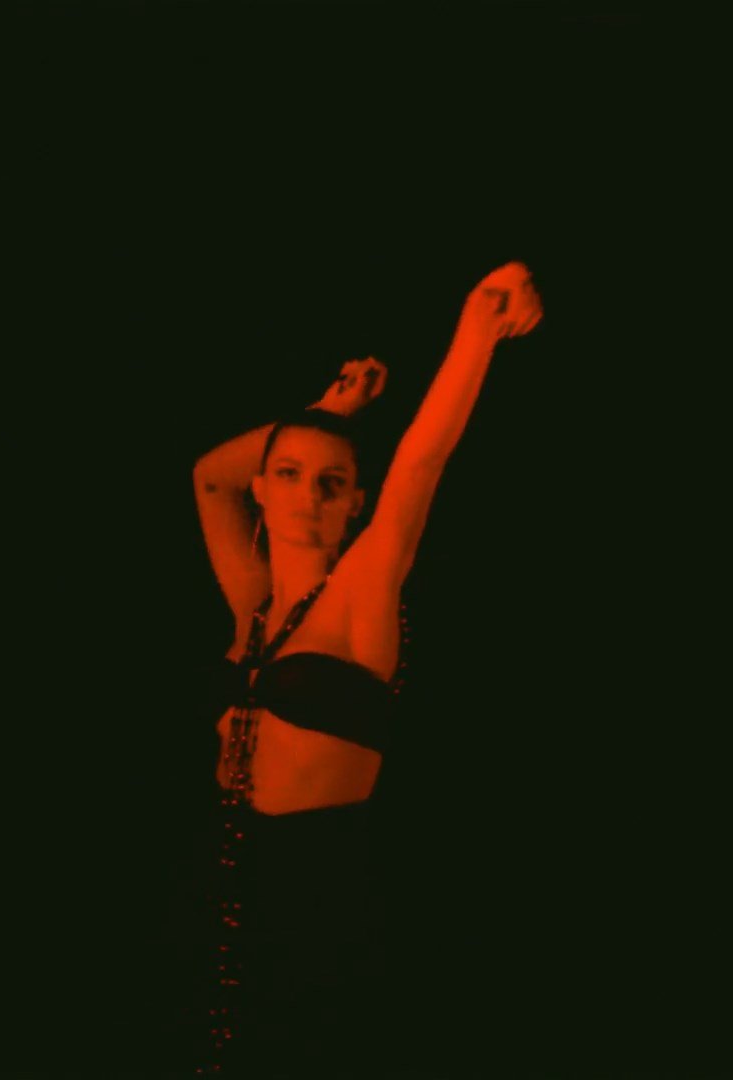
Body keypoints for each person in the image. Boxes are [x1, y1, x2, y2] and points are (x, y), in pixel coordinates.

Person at [188, 262, 544, 1078]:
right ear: (262, 489)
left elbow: (419, 464)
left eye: (333, 482)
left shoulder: (360, 593)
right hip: (218, 876)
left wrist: (476, 329)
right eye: (287, 475)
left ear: (356, 501)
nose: (308, 496)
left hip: (315, 890)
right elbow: (209, 475)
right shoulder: (252, 605)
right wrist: (326, 415)